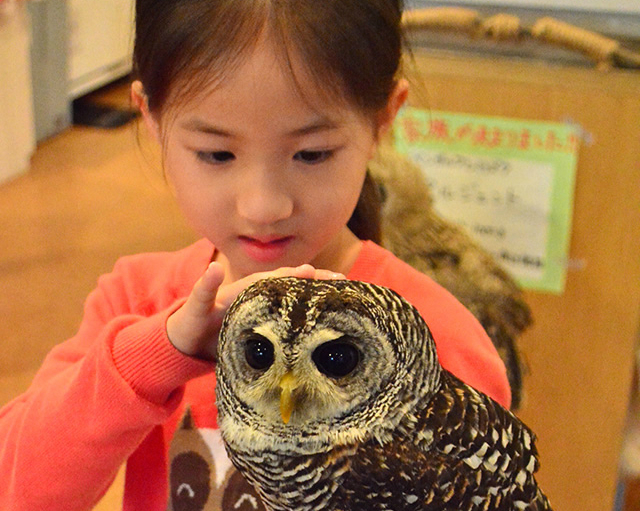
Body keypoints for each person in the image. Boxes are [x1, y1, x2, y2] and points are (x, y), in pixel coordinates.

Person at [0, 0, 510, 509]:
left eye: (312, 154)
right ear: (152, 120)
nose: (264, 206)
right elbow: (16, 489)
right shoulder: (137, 302)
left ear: (382, 122)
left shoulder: (439, 341)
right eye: (217, 154)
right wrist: (151, 360)